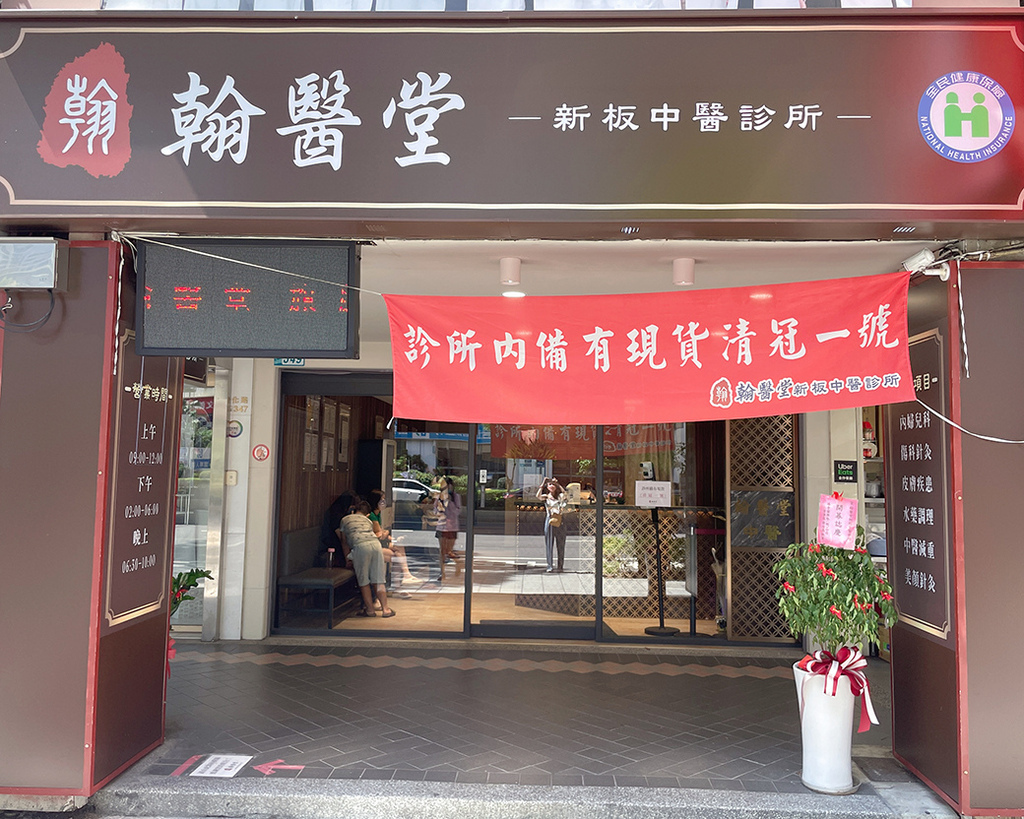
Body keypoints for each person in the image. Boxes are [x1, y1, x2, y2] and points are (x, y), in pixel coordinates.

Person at [337, 500, 394, 618]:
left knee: (364, 580)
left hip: (360, 546)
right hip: (375, 545)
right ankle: (386, 609)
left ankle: (370, 610)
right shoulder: (368, 520)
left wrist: (348, 559)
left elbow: (344, 542)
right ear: (367, 514)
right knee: (378, 579)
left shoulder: (345, 519)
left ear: (354, 511)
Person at [366, 489, 417, 596]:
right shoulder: (372, 516)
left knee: (399, 547)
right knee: (397, 556)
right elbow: (379, 534)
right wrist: (386, 533)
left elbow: (382, 533)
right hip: (374, 545)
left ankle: (405, 577)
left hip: (380, 543)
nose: (384, 502)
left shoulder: (378, 514)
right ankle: (402, 580)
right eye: (382, 499)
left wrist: (390, 536)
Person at [433, 476, 462, 582]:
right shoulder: (439, 497)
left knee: (449, 551)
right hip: (441, 526)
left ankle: (457, 567)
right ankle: (442, 572)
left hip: (452, 527)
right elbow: (435, 511)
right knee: (442, 551)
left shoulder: (456, 497)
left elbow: (457, 512)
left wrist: (450, 503)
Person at [537, 477, 567, 573]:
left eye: (553, 484)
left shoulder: (560, 496)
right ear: (547, 486)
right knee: (549, 544)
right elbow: (538, 496)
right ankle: (549, 565)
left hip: (560, 520)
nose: (552, 486)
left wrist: (558, 484)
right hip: (550, 520)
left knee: (561, 544)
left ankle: (560, 565)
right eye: (550, 484)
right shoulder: (546, 496)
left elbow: (566, 495)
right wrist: (543, 483)